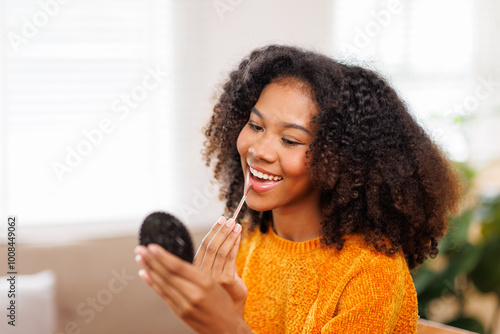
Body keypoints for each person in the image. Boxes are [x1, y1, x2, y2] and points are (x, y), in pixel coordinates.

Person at [135, 45, 463, 333]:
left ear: (342, 160)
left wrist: (226, 324)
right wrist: (227, 309)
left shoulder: (370, 273)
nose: (259, 150)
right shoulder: (249, 242)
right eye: (255, 125)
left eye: (290, 140)